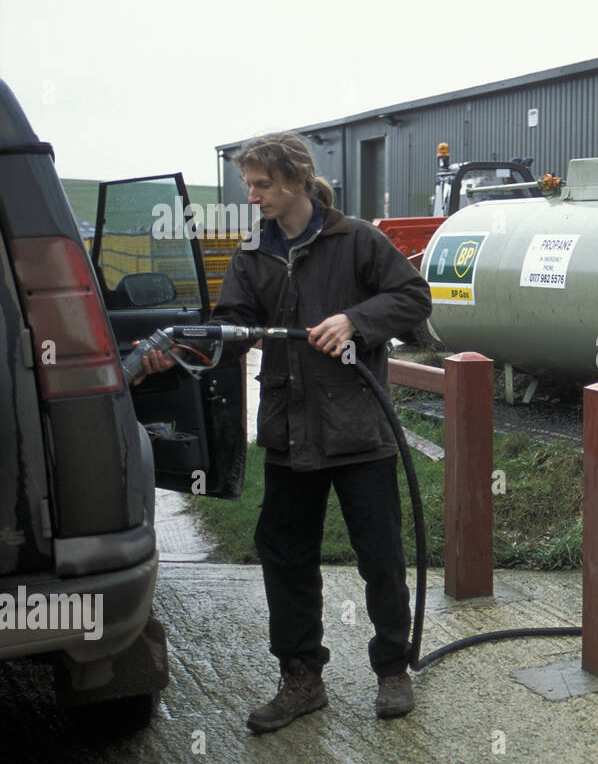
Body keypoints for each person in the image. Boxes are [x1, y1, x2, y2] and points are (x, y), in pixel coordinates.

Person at [136, 132, 432, 733]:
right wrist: (187, 348)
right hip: (290, 433)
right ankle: (301, 679)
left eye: (262, 184)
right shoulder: (252, 253)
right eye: (248, 184)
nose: (252, 195)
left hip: (358, 430)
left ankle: (392, 669)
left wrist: (355, 320)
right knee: (285, 557)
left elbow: (413, 296)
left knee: (380, 557)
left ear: (297, 180)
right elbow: (233, 325)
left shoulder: (357, 241)